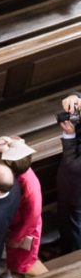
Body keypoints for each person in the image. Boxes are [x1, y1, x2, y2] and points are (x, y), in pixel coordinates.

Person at [0, 136, 44, 276]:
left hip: (26, 229)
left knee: (24, 262)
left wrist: (17, 237)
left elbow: (33, 215)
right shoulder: (14, 175)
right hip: (14, 222)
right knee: (14, 258)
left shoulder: (28, 183)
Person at [57, 93, 81, 254]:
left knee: (73, 226)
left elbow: (74, 167)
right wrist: (76, 97)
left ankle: (70, 255)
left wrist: (69, 136)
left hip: (77, 190)